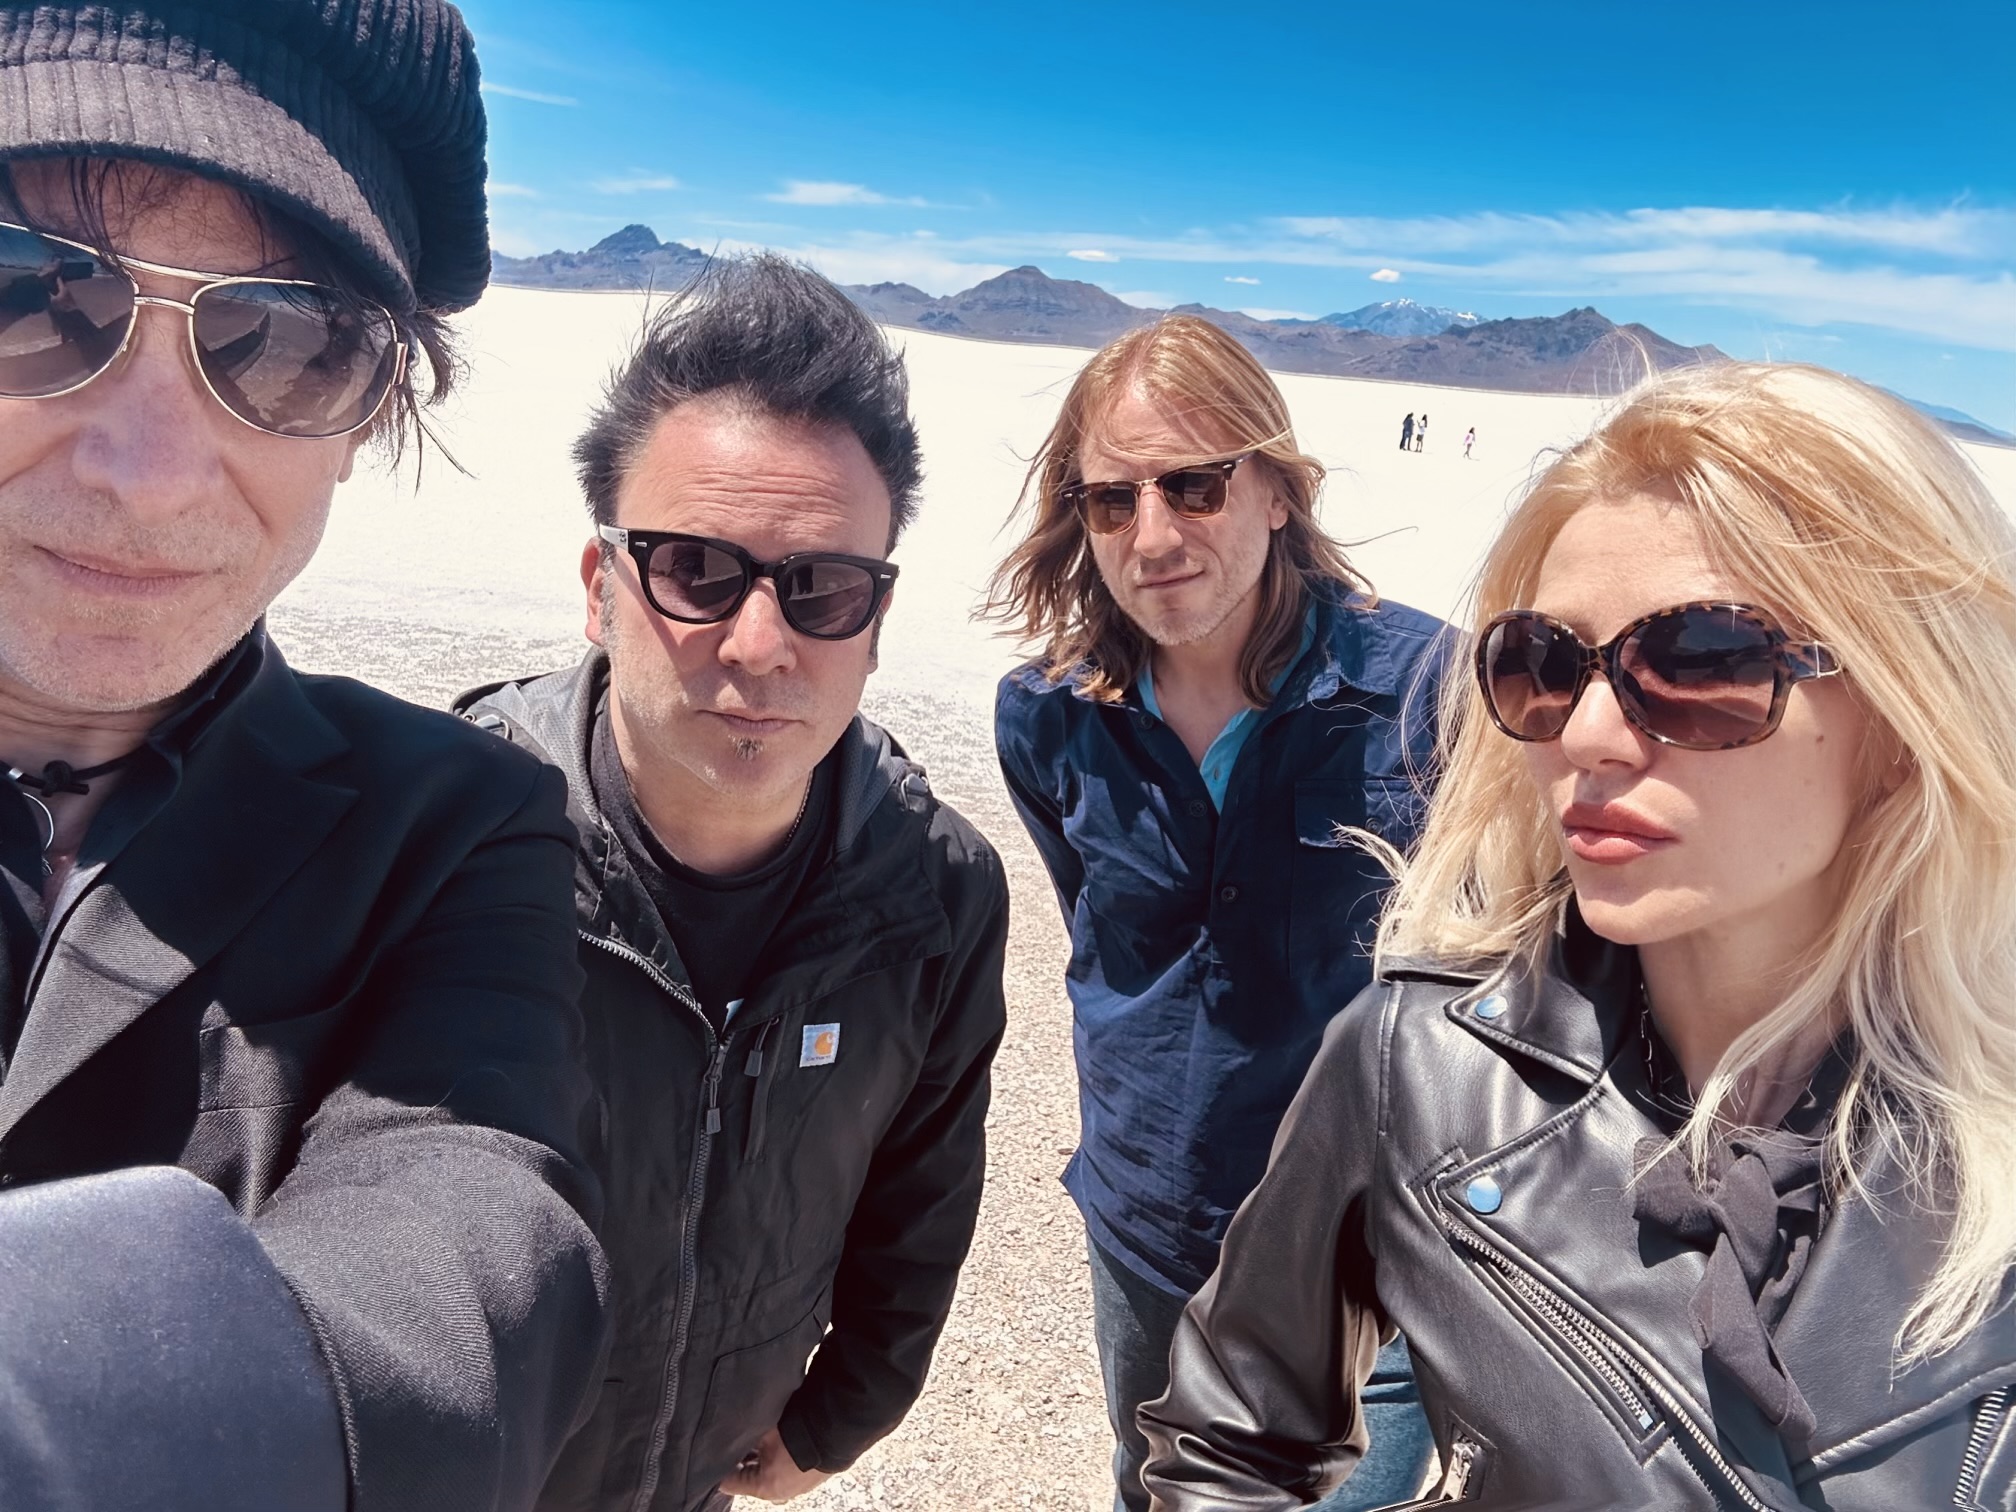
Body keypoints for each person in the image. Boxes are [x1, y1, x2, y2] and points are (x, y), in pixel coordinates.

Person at [1141, 362, 2016, 1509]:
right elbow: (1227, 1441)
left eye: (1701, 659)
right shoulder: (1430, 1073)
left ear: (1909, 712)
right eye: (1545, 666)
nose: (1590, 734)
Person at [0, 3, 608, 1508]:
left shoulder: (456, 826)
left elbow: (473, 1281)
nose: (145, 477)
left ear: (368, 416)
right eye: (31, 294)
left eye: (287, 344)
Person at [461, 256, 1010, 1512]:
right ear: (602, 589)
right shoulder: (455, 846)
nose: (760, 647)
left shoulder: (933, 893)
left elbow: (925, 1191)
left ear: (874, 625)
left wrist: (851, 1407)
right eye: (695, 571)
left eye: (821, 589)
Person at [989, 315, 1444, 1512]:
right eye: (1109, 500)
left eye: (1194, 486)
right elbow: (1113, 942)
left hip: (1366, 1248)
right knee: (1158, 1490)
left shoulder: (1424, 697)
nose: (1154, 537)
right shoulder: (1048, 717)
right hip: (1149, 1219)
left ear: (1277, 490)